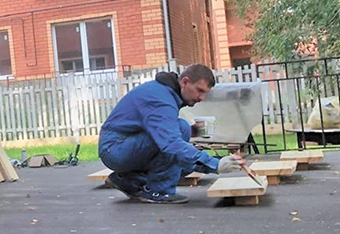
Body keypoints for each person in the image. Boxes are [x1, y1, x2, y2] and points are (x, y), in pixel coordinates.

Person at [98, 64, 246, 204]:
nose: (201, 98)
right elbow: (171, 144)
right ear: (185, 82)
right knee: (179, 135)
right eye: (199, 90)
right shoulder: (161, 99)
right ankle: (159, 191)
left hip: (122, 145)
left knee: (183, 146)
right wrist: (215, 164)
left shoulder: (165, 92)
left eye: (205, 93)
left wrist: (213, 159)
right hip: (115, 148)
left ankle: (129, 180)